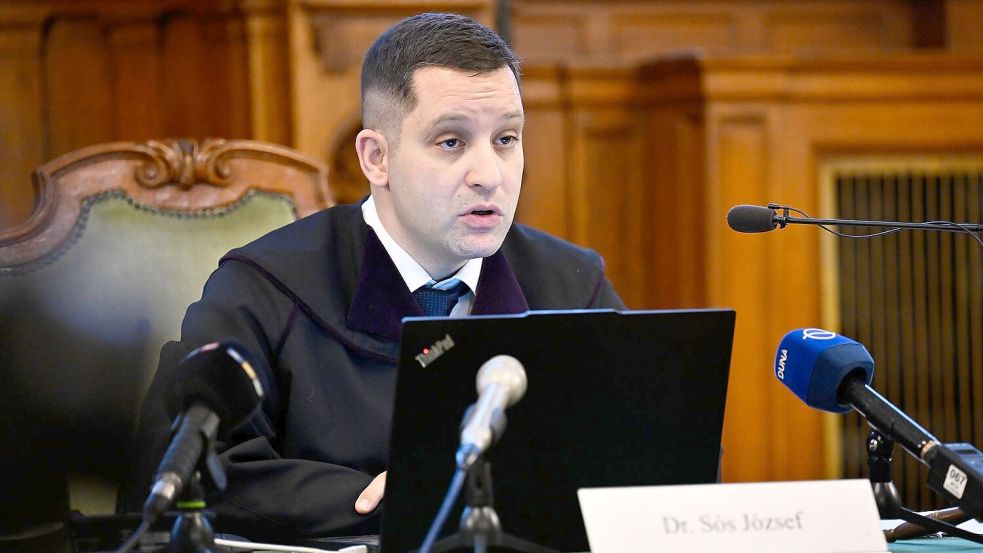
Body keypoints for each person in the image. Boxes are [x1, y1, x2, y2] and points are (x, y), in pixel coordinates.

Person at [121, 12, 624, 542]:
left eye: (506, 139)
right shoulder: (264, 289)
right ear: (376, 157)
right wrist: (387, 500)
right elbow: (185, 470)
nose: (489, 175)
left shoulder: (573, 286)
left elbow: (660, 454)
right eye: (451, 142)